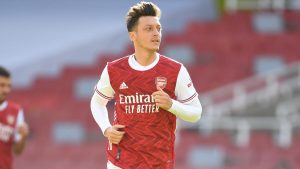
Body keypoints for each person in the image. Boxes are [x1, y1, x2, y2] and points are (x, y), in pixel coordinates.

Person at [90, 1, 202, 169]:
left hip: (159, 163)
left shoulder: (175, 70)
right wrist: (106, 129)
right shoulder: (114, 69)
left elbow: (196, 113)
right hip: (120, 162)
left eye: (158, 28)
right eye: (149, 29)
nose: (156, 33)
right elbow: (97, 102)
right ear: (133, 35)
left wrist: (172, 105)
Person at [0, 66, 29, 169]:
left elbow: (17, 151)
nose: (6, 90)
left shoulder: (16, 111)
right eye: (2, 85)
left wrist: (23, 137)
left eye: (8, 86)